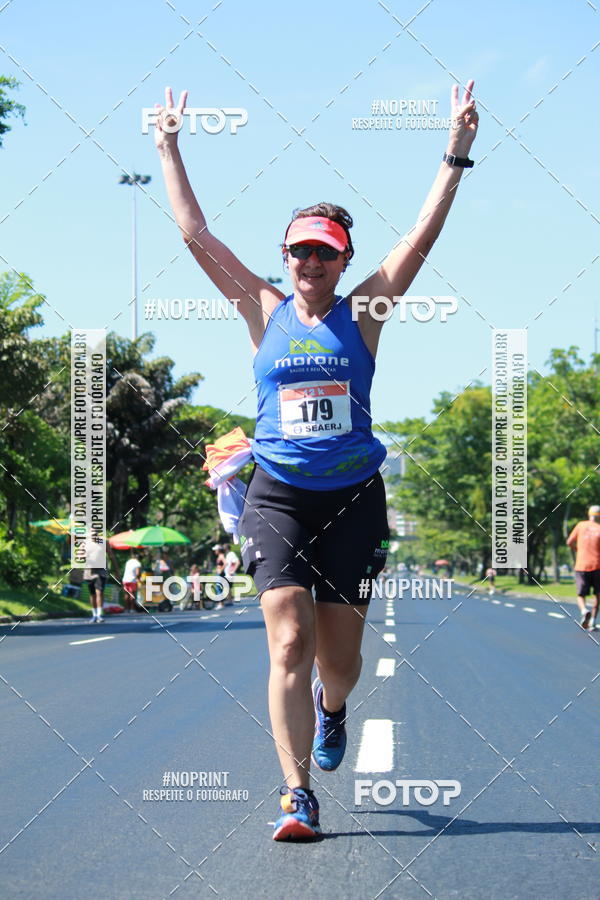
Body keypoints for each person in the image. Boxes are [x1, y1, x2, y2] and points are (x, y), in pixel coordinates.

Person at [154, 79, 478, 840]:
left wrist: (455, 153)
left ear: (342, 262)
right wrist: (168, 145)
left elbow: (420, 240)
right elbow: (196, 236)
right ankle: (296, 794)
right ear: (286, 255)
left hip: (353, 499)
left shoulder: (363, 312)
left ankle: (335, 711)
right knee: (289, 639)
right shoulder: (261, 309)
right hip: (277, 495)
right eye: (300, 250)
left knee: (342, 660)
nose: (310, 262)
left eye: (324, 254)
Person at [566, 505, 600, 630]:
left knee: (581, 594)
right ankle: (592, 622)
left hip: (581, 565)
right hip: (597, 565)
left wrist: (578, 550)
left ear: (589, 514)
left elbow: (569, 542)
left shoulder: (580, 525)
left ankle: (584, 611)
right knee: (598, 595)